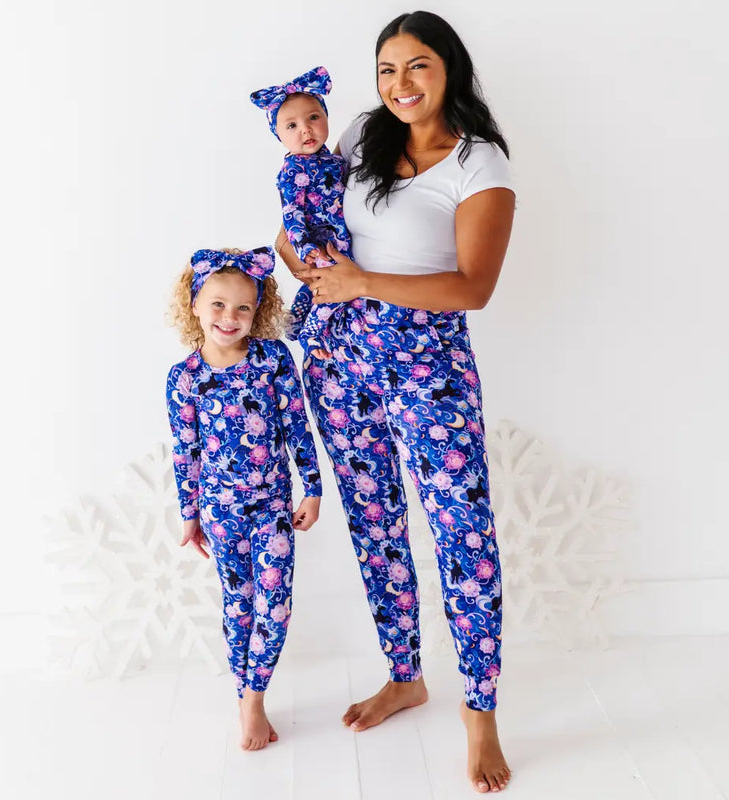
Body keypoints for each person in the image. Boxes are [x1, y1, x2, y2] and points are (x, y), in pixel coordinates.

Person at [275, 10, 515, 794]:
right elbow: (309, 220)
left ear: (449, 69)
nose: (400, 85)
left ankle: (479, 711)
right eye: (386, 69)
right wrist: (294, 250)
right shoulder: (357, 135)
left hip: (428, 369)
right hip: (339, 363)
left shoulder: (480, 165)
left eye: (416, 67)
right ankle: (405, 674)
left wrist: (363, 282)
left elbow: (473, 288)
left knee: (461, 533)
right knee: (376, 525)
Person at [165, 246, 322, 751]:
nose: (229, 318)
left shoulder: (273, 359)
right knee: (240, 605)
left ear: (258, 312)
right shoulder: (184, 377)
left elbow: (299, 426)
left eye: (242, 308)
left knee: (274, 606)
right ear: (193, 305)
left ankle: (254, 699)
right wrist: (189, 515)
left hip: (272, 508)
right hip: (220, 512)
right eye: (217, 305)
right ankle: (244, 697)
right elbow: (184, 451)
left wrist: (313, 488)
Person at [250, 66, 352, 359]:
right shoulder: (292, 171)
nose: (306, 129)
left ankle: (295, 320)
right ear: (279, 135)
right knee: (337, 288)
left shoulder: (335, 161)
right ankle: (310, 332)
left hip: (342, 235)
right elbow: (291, 215)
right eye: (291, 126)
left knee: (322, 286)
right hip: (322, 244)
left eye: (313, 118)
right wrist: (305, 247)